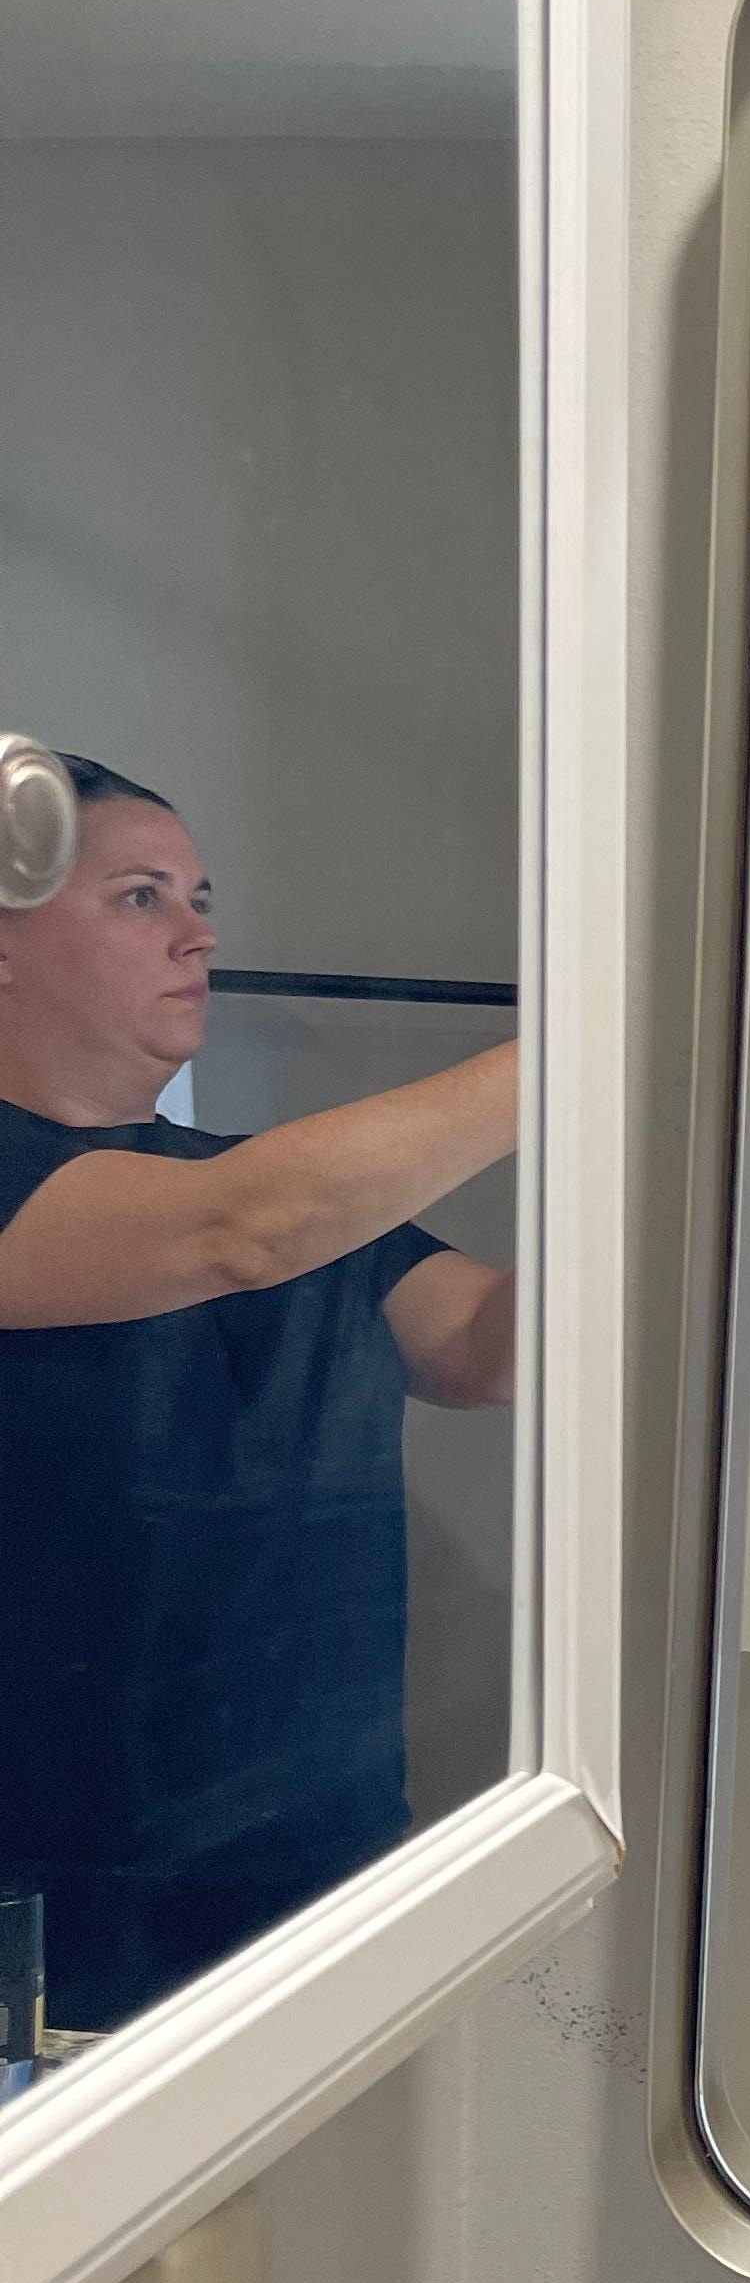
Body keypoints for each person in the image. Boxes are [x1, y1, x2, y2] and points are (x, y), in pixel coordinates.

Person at [0, 757, 517, 2033]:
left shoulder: (259, 1183)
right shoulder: (233, 1206)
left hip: (322, 1859)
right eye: (139, 898)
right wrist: (588, 1032)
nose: (200, 933)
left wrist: (641, 1134)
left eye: (199, 894)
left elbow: (487, 1355)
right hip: (60, 1912)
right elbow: (243, 1233)